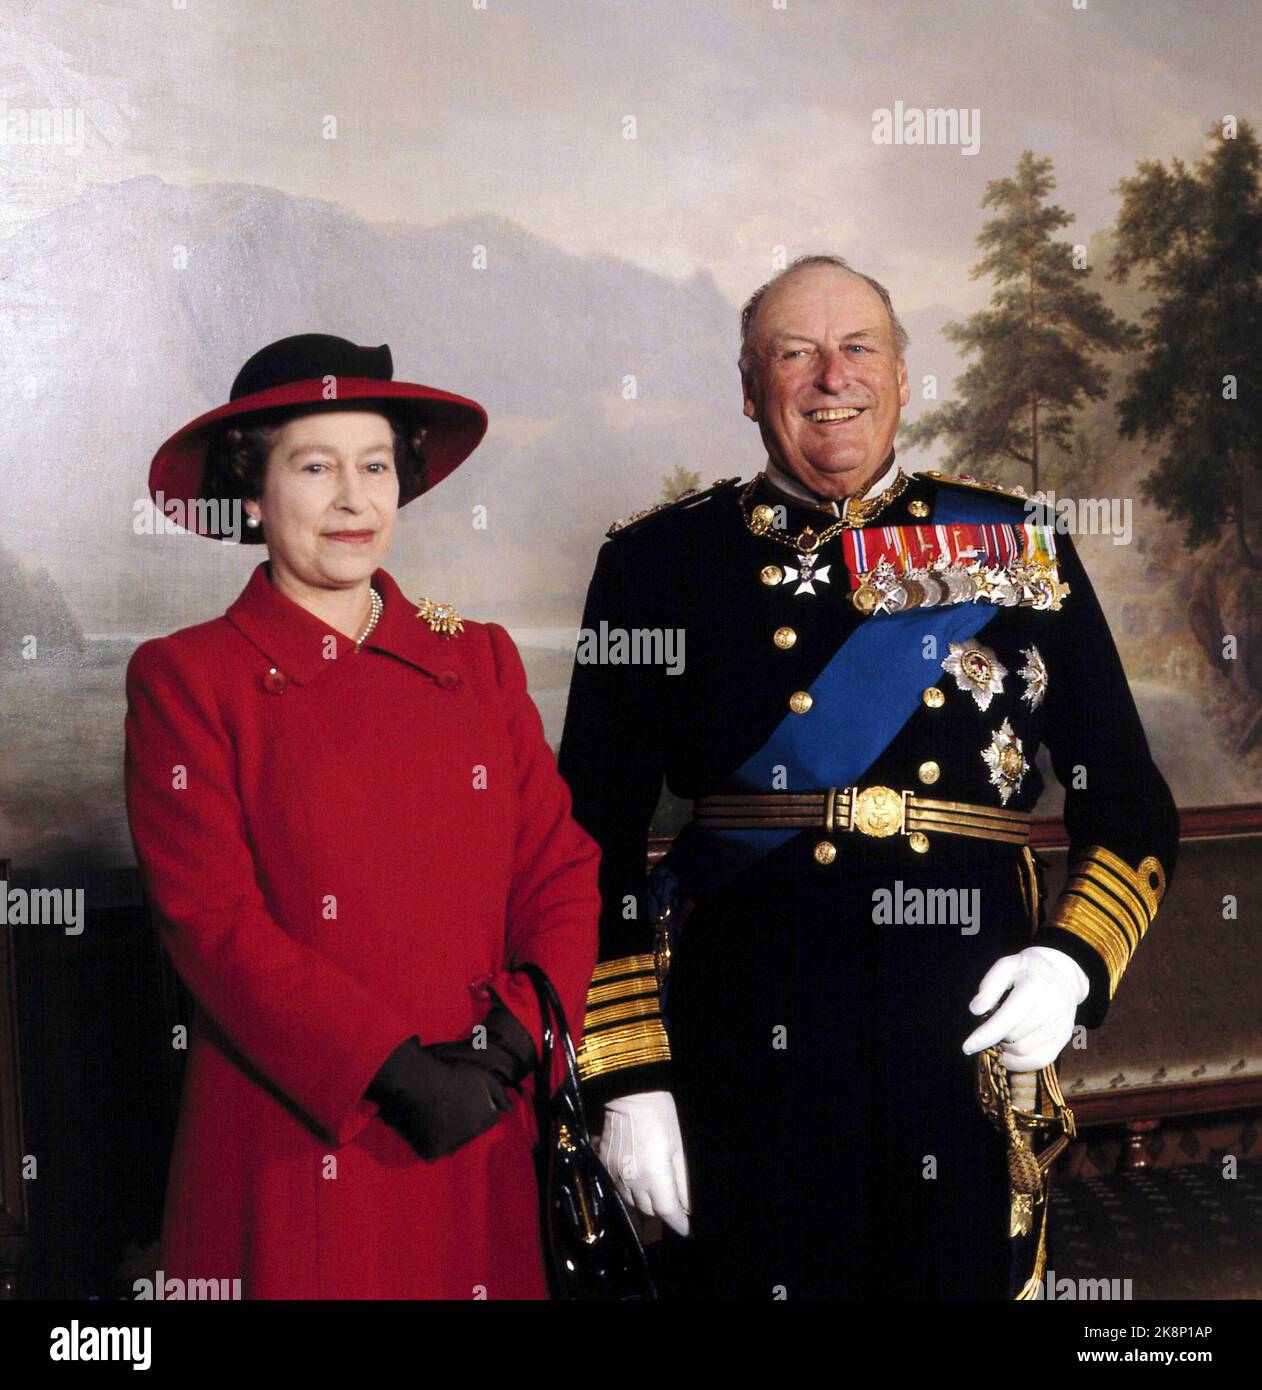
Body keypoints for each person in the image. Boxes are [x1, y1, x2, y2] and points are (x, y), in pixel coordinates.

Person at [557, 256, 1178, 1299]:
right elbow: (584, 837)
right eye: (792, 352)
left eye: (857, 349)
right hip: (741, 1046)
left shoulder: (1016, 548)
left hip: (960, 1033)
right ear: (749, 386)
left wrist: (1072, 962)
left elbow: (1123, 796)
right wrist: (629, 1078)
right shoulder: (660, 563)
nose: (828, 376)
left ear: (899, 377)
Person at [125, 333, 600, 1299]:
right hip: (298, 1138)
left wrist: (511, 1046)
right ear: (251, 491)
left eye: (375, 465)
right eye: (315, 466)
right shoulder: (187, 678)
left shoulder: (482, 659)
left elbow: (561, 872)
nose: (354, 498)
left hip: (483, 1122)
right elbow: (211, 925)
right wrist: (387, 1072)